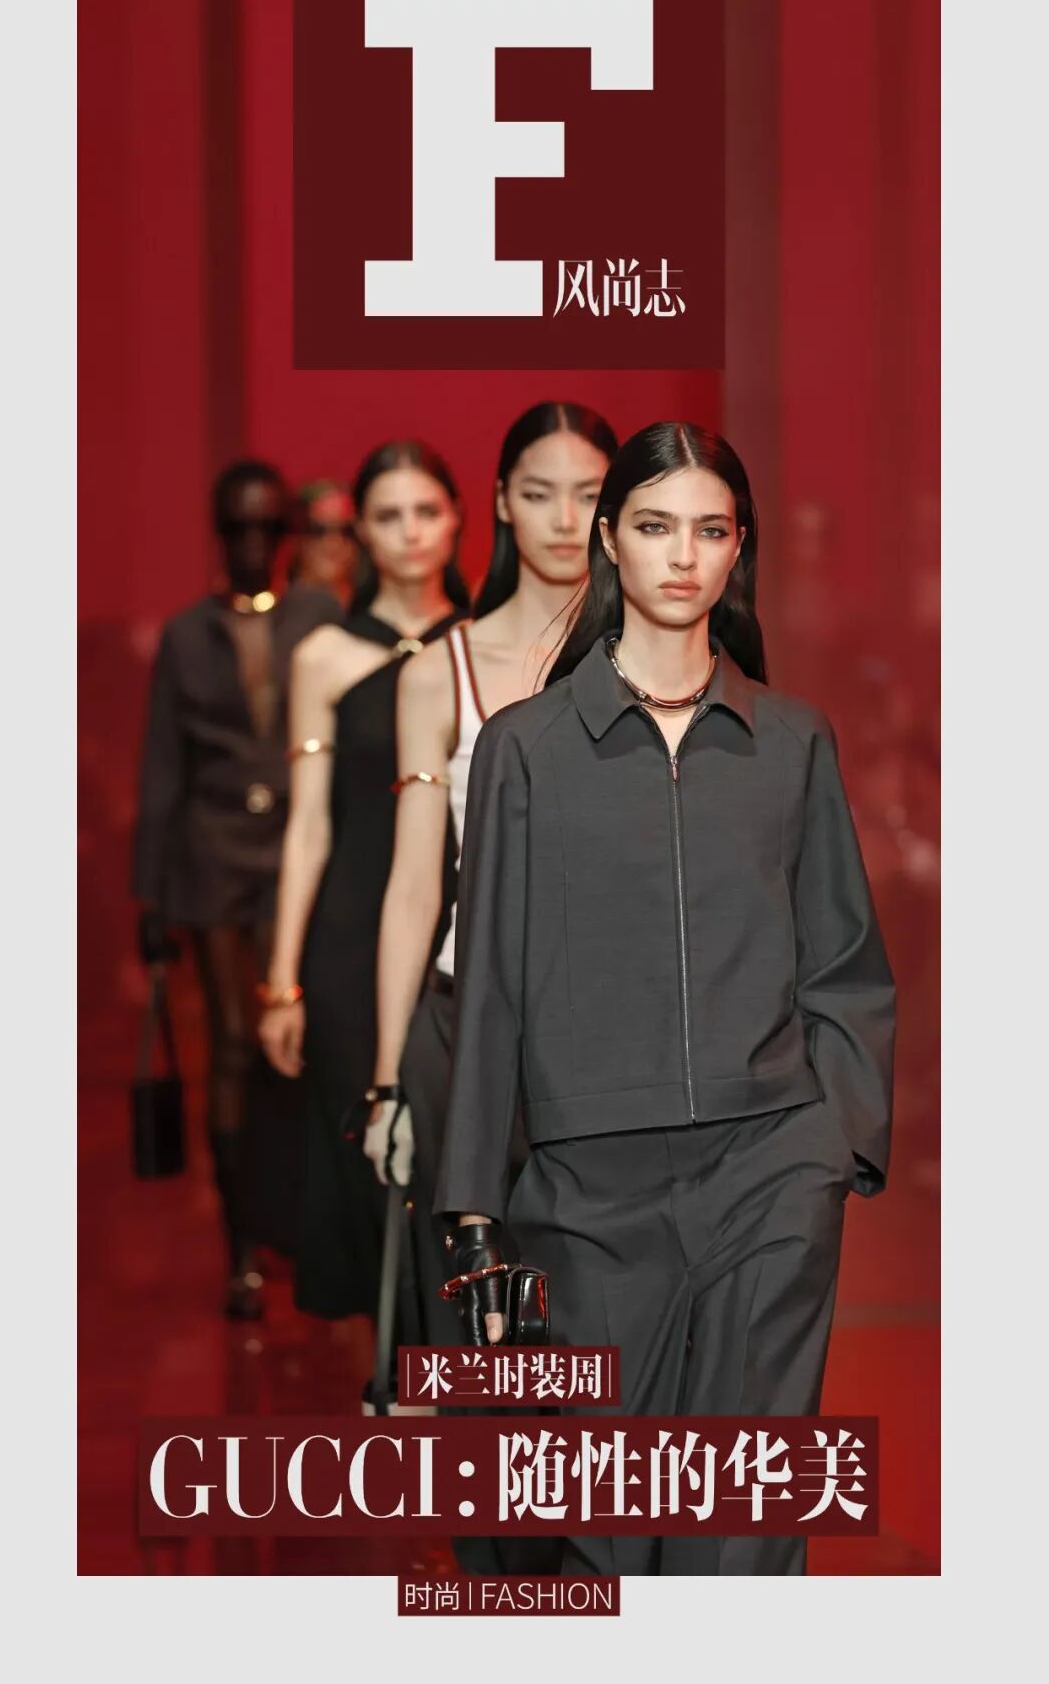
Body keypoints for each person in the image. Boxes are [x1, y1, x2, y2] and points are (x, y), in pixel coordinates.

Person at [434, 422, 896, 1577]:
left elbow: (843, 957)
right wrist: (474, 1197)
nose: (682, 556)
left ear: (739, 549)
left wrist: (834, 1141)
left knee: (744, 1524)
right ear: (610, 541)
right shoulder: (527, 750)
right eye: (654, 526)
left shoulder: (791, 742)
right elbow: (489, 982)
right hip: (592, 1185)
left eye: (710, 529)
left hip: (770, 1166)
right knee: (607, 1529)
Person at [362, 402, 619, 1341]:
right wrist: (386, 1080)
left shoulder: (647, 659)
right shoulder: (441, 670)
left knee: (592, 1319)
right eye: (540, 494)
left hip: (608, 1027)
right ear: (502, 502)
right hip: (463, 1017)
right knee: (478, 1328)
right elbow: (414, 886)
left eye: (588, 495)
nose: (564, 519)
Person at [258, 439, 468, 1325]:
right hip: (349, 938)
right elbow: (309, 825)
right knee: (371, 1160)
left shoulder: (488, 645)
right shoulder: (325, 655)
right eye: (388, 515)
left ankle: (455, 1365)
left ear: (459, 520)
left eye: (427, 511)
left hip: (462, 926)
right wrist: (282, 980)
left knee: (461, 1153)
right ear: (360, 535)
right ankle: (395, 1375)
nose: (410, 532)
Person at [133, 458, 343, 1319]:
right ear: (219, 534)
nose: (252, 543)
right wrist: (151, 897)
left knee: (301, 1045)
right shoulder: (189, 635)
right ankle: (241, 1249)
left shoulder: (317, 615)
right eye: (237, 528)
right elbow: (163, 765)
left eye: (266, 527)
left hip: (302, 854)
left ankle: (299, 1226)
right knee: (230, 1044)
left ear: (284, 533)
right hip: (215, 856)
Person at [290, 478, 358, 610]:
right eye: (319, 531)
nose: (334, 543)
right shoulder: (273, 612)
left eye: (346, 531)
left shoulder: (373, 611)